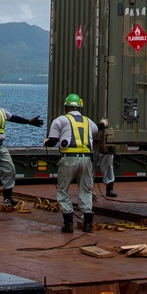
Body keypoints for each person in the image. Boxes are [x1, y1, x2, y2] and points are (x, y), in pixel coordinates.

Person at [44, 93, 106, 233]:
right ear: (80, 107)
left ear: (66, 107)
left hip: (69, 158)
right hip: (86, 159)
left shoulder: (60, 120)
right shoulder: (87, 121)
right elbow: (97, 128)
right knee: (86, 190)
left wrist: (46, 142)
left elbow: (53, 141)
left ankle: (68, 224)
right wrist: (103, 123)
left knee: (63, 189)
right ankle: (88, 224)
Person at [0, 87, 44, 207]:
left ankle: (8, 197)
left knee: (9, 170)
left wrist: (29, 121)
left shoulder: (1, 111)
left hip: (0, 146)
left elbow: (13, 117)